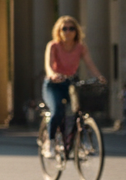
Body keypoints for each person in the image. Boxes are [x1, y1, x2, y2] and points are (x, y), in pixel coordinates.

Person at [42, 16, 105, 149]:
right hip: (53, 85)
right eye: (64, 29)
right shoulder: (53, 45)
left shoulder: (80, 47)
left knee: (80, 110)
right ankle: (51, 141)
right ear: (58, 31)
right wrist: (53, 75)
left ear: (76, 31)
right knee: (57, 110)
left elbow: (90, 64)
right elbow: (48, 66)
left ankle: (82, 140)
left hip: (70, 84)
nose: (68, 32)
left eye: (71, 28)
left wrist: (99, 77)